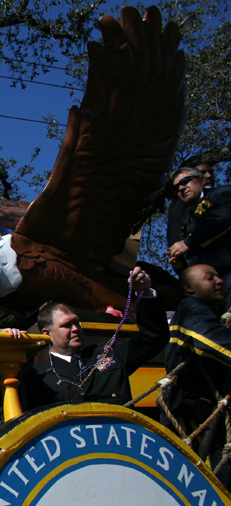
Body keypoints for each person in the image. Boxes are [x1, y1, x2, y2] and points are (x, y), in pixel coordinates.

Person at [23, 267, 168, 407]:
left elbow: (154, 337)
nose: (76, 329)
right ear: (47, 334)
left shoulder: (108, 352)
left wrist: (146, 292)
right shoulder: (37, 376)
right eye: (67, 325)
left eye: (76, 322)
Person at [162, 264, 231, 486]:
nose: (219, 281)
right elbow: (210, 341)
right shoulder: (191, 309)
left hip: (206, 413)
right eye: (210, 278)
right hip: (191, 415)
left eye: (219, 276)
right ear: (190, 288)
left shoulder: (207, 313)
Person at [167, 168, 231, 310]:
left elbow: (223, 220)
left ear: (201, 180)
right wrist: (180, 265)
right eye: (177, 188)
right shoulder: (187, 220)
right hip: (206, 292)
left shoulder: (221, 193)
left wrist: (188, 242)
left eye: (184, 182)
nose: (181, 188)